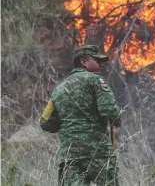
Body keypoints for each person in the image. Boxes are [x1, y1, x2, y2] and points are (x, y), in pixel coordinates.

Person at [40, 45, 121, 186]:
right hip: (98, 152)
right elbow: (109, 110)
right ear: (83, 62)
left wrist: (69, 126)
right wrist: (118, 119)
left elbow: (45, 122)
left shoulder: (59, 89)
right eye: (96, 60)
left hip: (70, 156)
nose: (100, 63)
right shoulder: (96, 80)